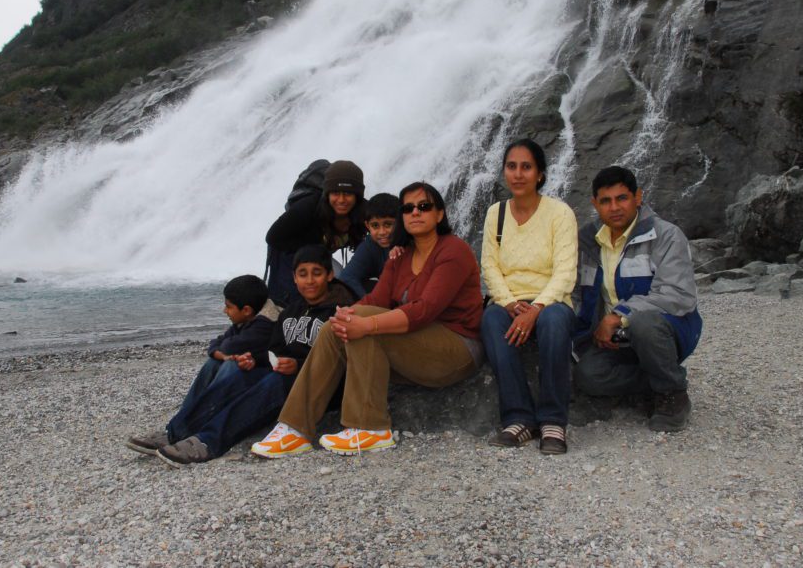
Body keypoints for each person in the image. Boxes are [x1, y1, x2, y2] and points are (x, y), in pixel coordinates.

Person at [251, 182, 484, 457]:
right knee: (338, 325)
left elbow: (425, 309)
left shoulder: (453, 250)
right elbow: (376, 301)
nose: (415, 213)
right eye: (408, 208)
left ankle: (369, 427)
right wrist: (345, 316)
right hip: (414, 348)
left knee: (362, 324)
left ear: (440, 214)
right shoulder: (400, 255)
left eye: (424, 207)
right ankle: (294, 429)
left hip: (456, 347)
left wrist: (365, 322)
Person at [572, 166, 703, 432]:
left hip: (666, 331)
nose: (614, 207)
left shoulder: (665, 235)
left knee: (643, 323)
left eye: (622, 198)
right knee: (588, 376)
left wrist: (618, 316)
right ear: (595, 204)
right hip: (610, 340)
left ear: (638, 197)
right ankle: (650, 384)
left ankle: (673, 394)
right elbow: (575, 294)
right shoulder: (586, 241)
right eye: (606, 201)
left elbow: (679, 295)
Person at [480, 139, 578, 454]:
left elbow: (565, 273)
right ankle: (519, 419)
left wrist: (535, 308)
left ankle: (552, 421)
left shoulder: (560, 214)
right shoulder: (495, 214)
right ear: (504, 172)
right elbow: (489, 266)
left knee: (554, 320)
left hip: (550, 302)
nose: (518, 174)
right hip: (511, 300)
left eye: (526, 167)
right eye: (512, 166)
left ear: (539, 174)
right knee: (492, 318)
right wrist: (508, 302)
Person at [125, 274, 279, 455]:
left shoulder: (265, 323)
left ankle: (182, 430)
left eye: (228, 307)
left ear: (246, 310)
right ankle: (180, 424)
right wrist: (220, 353)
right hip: (251, 370)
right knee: (214, 362)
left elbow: (229, 345)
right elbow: (218, 343)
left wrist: (224, 353)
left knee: (229, 366)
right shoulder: (247, 319)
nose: (224, 311)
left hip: (261, 378)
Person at [265, 160, 367, 306]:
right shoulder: (307, 207)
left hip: (320, 256)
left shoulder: (365, 213)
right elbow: (272, 237)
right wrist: (312, 251)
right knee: (291, 302)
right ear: (327, 194)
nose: (342, 200)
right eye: (335, 193)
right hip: (288, 254)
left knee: (338, 283)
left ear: (358, 196)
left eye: (348, 194)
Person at [337, 192, 399, 299]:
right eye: (375, 225)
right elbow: (347, 277)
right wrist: (369, 305)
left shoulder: (412, 241)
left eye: (388, 224)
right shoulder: (370, 245)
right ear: (367, 225)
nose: (382, 232)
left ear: (401, 222)